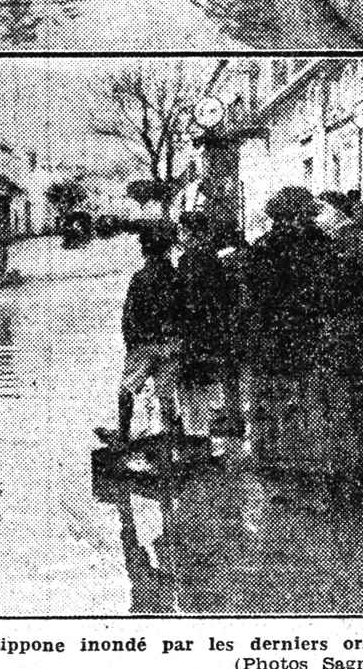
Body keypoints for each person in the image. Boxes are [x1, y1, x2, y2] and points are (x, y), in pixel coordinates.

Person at [243, 186, 329, 488]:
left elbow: (250, 301)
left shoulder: (260, 249)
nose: (309, 220)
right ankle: (299, 477)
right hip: (301, 339)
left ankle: (277, 476)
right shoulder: (319, 246)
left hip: (273, 340)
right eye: (305, 215)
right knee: (302, 407)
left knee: (273, 406)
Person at [315, 191, 363, 505]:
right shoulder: (358, 242)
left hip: (347, 341)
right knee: (359, 410)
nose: (316, 219)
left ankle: (352, 484)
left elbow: (342, 294)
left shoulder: (347, 245)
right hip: (360, 341)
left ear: (336, 213)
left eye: (320, 212)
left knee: (345, 412)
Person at [98, 220, 182, 450]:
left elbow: (129, 317)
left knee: (126, 390)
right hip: (171, 343)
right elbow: (184, 311)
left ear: (144, 251)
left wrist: (131, 344)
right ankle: (173, 440)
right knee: (166, 394)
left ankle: (123, 436)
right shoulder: (176, 277)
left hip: (143, 345)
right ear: (168, 249)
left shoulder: (140, 278)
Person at [177, 211, 235, 455]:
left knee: (193, 385)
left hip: (193, 330)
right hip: (212, 330)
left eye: (185, 232)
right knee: (209, 383)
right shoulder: (212, 259)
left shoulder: (188, 260)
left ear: (192, 233)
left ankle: (196, 442)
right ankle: (209, 440)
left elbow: (184, 298)